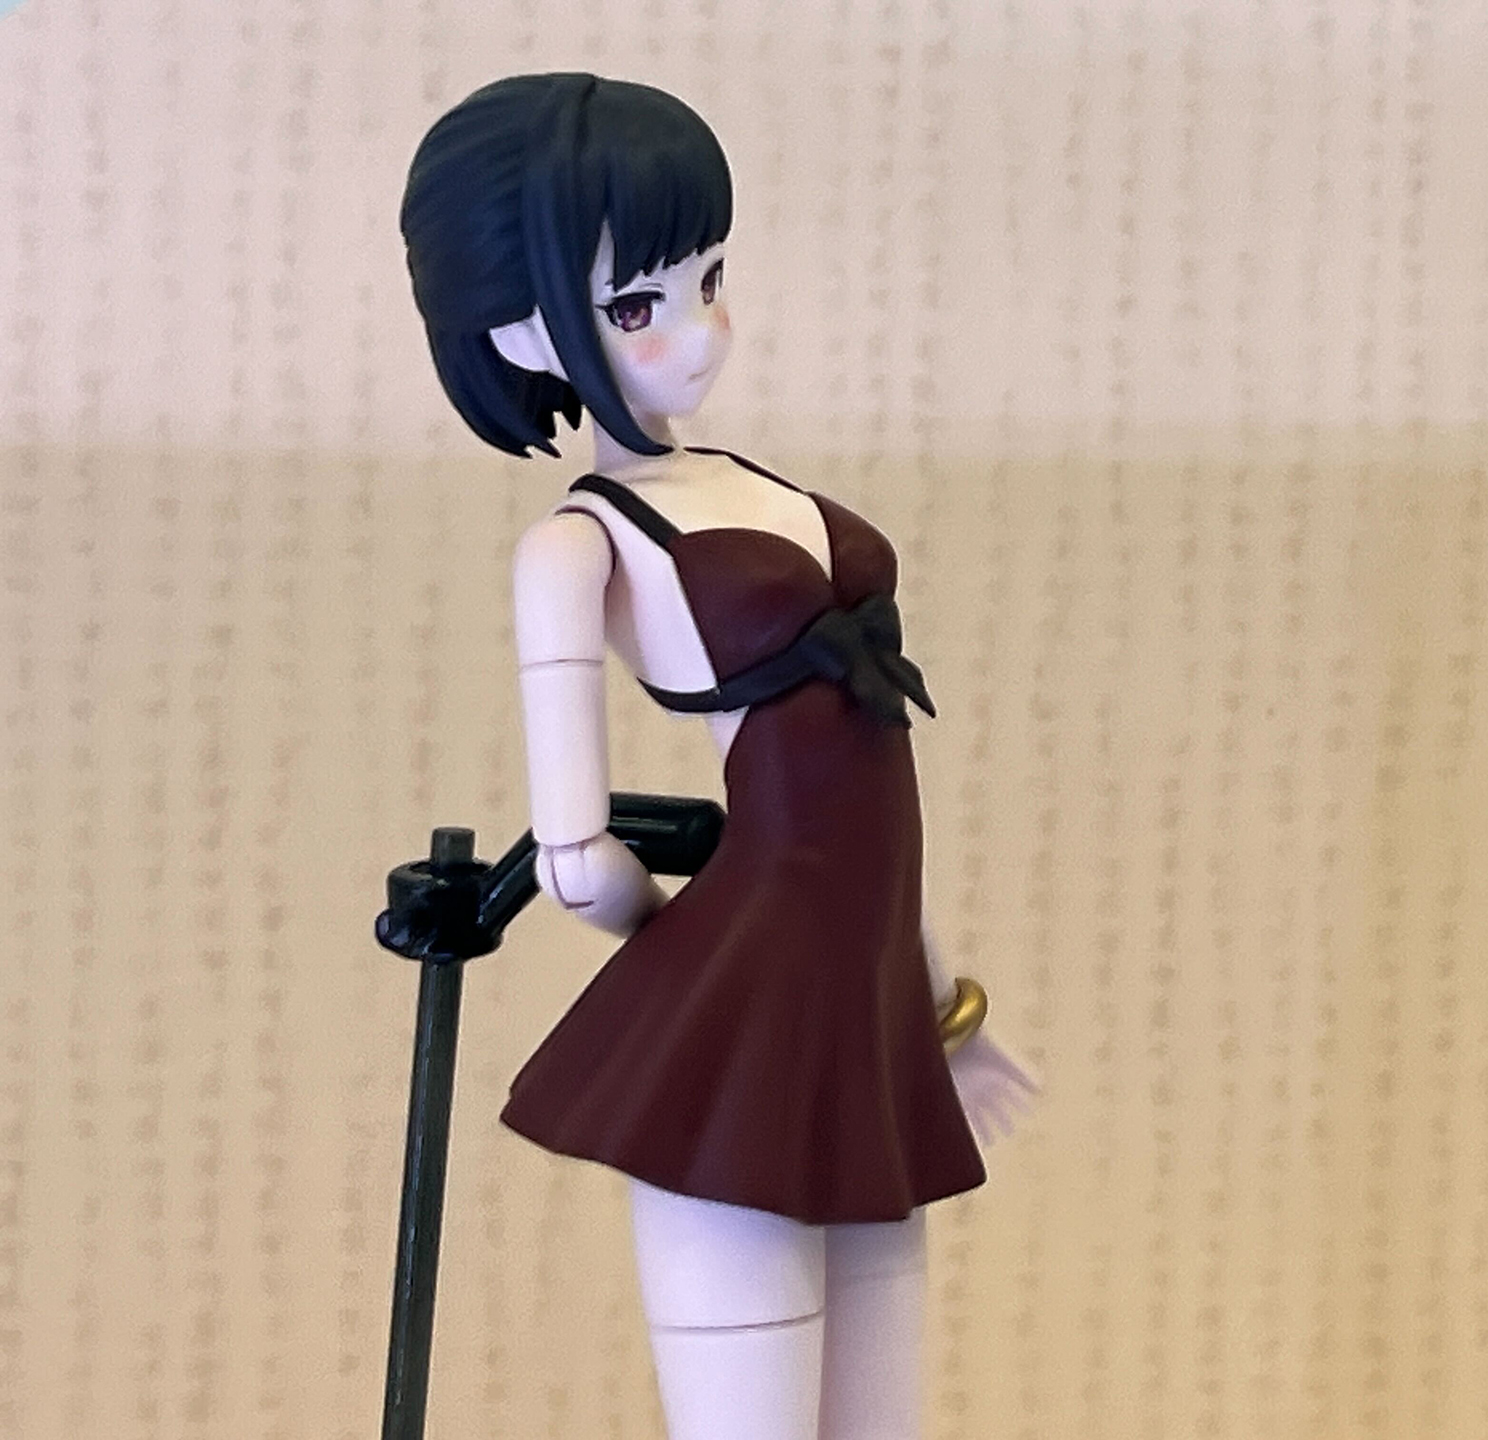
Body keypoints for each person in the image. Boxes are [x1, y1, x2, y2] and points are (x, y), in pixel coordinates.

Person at [399, 73, 1034, 1440]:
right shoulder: (577, 547)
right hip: (753, 1012)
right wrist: (699, 967)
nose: (699, 333)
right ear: (522, 329)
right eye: (638, 305)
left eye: (709, 279)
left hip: (861, 1003)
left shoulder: (755, 487)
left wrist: (943, 1011)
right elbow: (575, 860)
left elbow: (875, 817)